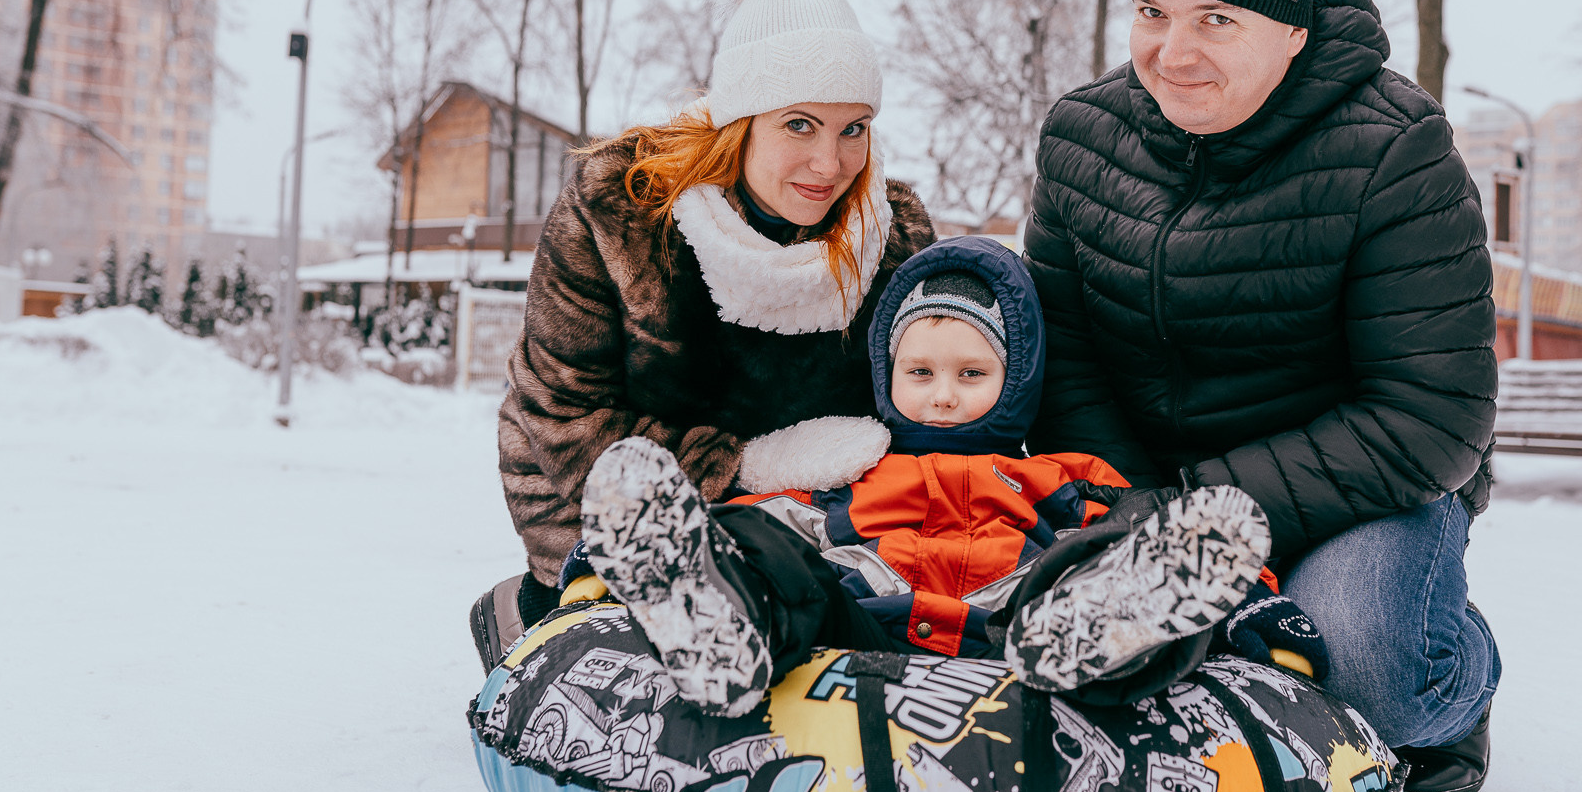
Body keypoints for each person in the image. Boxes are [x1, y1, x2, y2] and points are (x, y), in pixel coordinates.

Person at [1025, 0, 1501, 792]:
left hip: (1361, 493)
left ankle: (1459, 674)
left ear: (1292, 32)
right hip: (1149, 488)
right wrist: (1131, 507)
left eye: (1217, 20)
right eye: (1153, 11)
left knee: (1365, 673)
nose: (1173, 50)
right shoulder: (1082, 137)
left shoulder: (1395, 148)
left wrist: (1206, 514)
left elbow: (1431, 413)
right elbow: (1065, 356)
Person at [560, 235, 1327, 717]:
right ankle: (716, 617)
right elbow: (768, 515)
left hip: (1016, 629)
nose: (944, 392)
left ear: (1018, 373)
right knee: (781, 559)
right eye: (919, 371)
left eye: (972, 370)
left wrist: (1254, 608)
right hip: (863, 618)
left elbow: (1150, 528)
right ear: (886, 372)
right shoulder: (854, 465)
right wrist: (613, 554)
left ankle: (1102, 633)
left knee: (1099, 560)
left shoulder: (1055, 474)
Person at [471, 0, 935, 675]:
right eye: (799, 124)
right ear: (740, 122)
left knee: (862, 634)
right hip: (603, 492)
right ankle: (534, 607)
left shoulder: (893, 232)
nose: (832, 161)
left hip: (809, 515)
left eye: (854, 128)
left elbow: (924, 393)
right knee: (653, 658)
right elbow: (566, 415)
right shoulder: (618, 210)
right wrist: (749, 467)